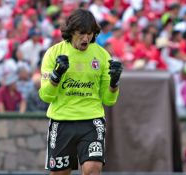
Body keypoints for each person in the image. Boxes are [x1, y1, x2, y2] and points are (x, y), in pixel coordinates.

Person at [39, 9, 123, 175]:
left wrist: (114, 83)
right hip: (61, 120)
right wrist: (56, 76)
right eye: (81, 34)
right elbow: (46, 96)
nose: (86, 38)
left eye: (90, 34)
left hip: (91, 120)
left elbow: (108, 100)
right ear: (71, 32)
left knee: (93, 169)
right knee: (60, 173)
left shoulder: (102, 55)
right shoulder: (54, 53)